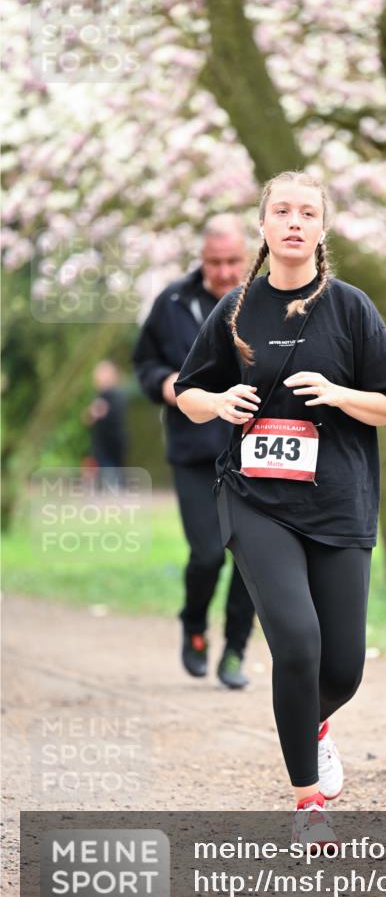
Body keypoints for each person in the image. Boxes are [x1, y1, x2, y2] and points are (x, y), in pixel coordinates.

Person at [175, 171, 386, 844]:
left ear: (322, 227)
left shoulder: (351, 309)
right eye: (282, 211)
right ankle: (308, 803)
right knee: (298, 644)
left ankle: (309, 724)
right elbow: (188, 392)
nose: (294, 222)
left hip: (339, 500)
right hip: (256, 500)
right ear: (263, 224)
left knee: (343, 668)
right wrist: (218, 403)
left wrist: (338, 393)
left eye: (307, 212)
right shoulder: (234, 309)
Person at [132, 216, 256, 689]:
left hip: (252, 449)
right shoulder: (173, 302)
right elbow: (144, 361)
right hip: (193, 449)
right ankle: (195, 625)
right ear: (202, 260)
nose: (224, 271)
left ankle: (236, 652)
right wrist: (163, 383)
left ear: (246, 257)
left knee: (251, 557)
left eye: (233, 262)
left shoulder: (265, 302)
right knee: (207, 554)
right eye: (215, 262)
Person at [83, 360, 127, 489]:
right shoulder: (98, 395)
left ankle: (115, 490)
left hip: (113, 441)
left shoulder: (116, 395)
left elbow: (104, 413)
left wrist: (97, 412)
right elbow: (89, 417)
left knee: (113, 471)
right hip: (100, 442)